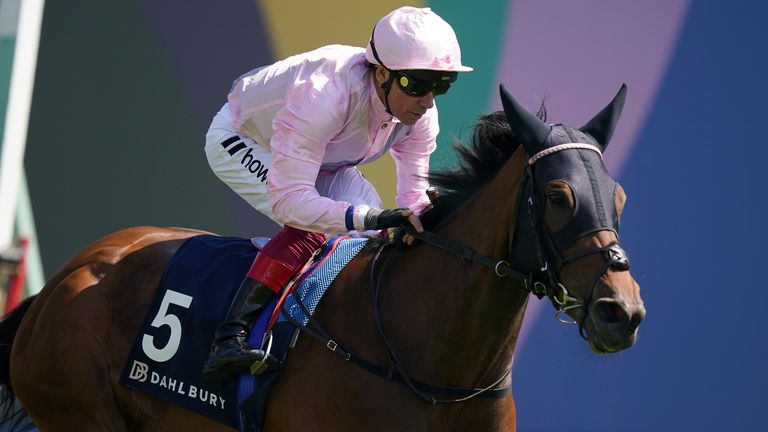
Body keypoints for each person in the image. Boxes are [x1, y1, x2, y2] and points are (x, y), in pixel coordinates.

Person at [202, 6, 472, 380]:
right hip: (244, 138)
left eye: (440, 85)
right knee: (319, 224)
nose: (428, 100)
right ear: (381, 73)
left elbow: (413, 199)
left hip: (320, 160)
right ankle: (230, 336)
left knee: (372, 235)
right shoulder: (325, 94)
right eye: (417, 84)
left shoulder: (421, 114)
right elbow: (290, 201)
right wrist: (369, 216)